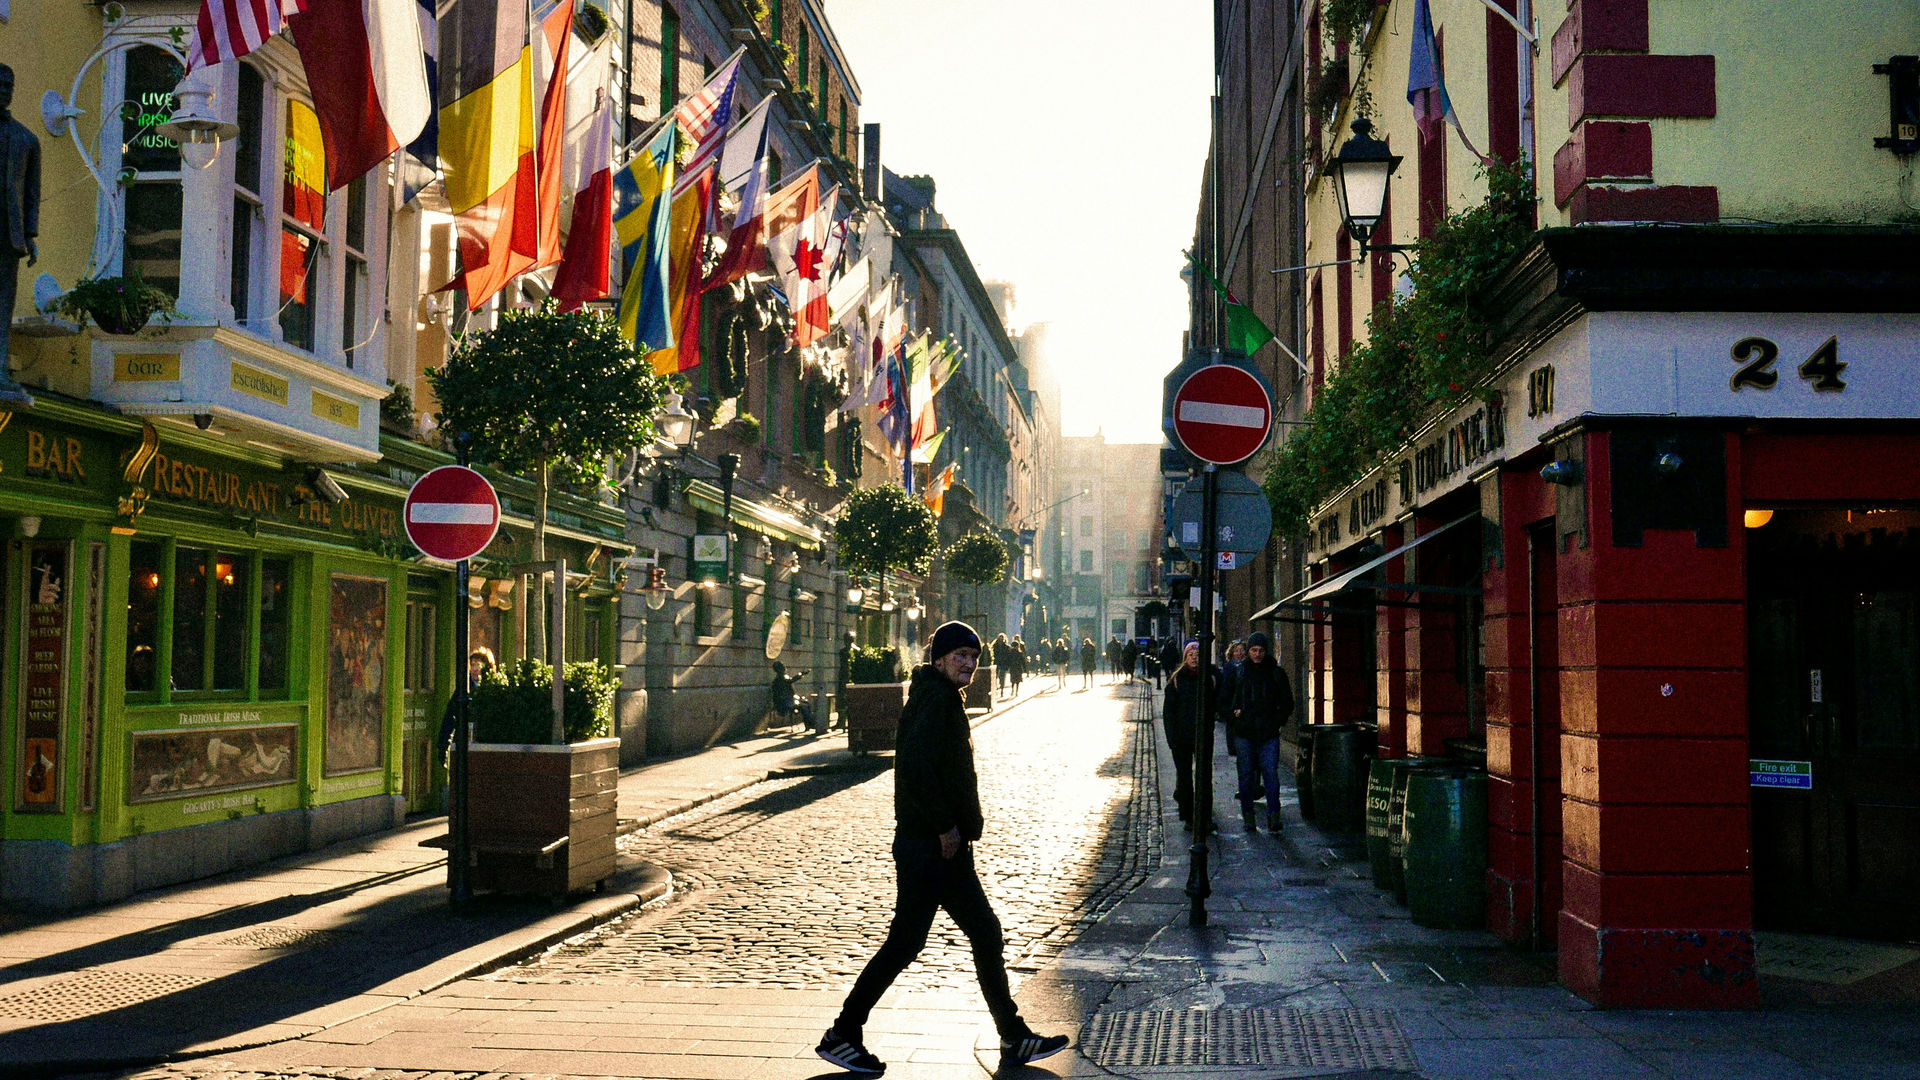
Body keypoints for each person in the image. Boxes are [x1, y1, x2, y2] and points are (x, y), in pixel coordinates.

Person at [817, 622, 1069, 1075]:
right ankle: (843, 1033)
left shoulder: (940, 695)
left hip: (938, 847)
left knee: (968, 934)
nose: (969, 664)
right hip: (931, 847)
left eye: (974, 657)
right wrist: (945, 826)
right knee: (918, 941)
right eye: (960, 656)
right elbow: (915, 767)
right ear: (939, 659)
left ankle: (1013, 1036)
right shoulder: (935, 699)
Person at [0, 63, 41, 400]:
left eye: (8, 86)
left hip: (7, 237)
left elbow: (31, 194)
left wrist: (30, 236)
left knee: (2, 306)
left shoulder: (26, 139)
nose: (4, 90)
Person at [1228, 631, 1294, 833]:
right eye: (1254, 650)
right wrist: (1235, 716)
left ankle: (1274, 815)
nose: (1257, 654)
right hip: (1245, 733)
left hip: (1268, 733)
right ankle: (1248, 816)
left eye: (1261, 650)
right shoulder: (1239, 673)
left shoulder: (1276, 673)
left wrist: (1277, 721)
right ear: (1249, 651)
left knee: (1271, 774)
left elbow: (1287, 702)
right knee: (1246, 775)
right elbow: (1225, 700)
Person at [1163, 640, 1223, 833]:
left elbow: (1220, 699)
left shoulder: (1210, 677)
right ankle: (1189, 816)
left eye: (1197, 655)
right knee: (1184, 778)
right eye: (1190, 655)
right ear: (1185, 657)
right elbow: (1168, 712)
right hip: (1181, 737)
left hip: (1203, 734)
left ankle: (1205, 817)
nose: (1194, 658)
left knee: (1204, 777)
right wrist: (1171, 739)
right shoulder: (1176, 680)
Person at [769, 660, 815, 731]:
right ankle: (810, 723)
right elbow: (791, 680)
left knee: (805, 703)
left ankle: (809, 724)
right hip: (784, 702)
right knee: (804, 706)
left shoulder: (780, 678)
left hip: (787, 700)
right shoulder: (781, 678)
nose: (785, 668)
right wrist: (801, 674)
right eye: (783, 667)